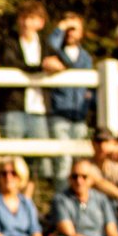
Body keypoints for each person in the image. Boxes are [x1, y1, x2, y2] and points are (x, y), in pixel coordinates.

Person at [0, 0, 61, 139]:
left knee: (42, 158)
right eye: (23, 17)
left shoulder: (45, 44)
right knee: (10, 155)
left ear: (41, 22)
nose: (26, 23)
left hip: (39, 110)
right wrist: (41, 67)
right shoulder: (8, 42)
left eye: (31, 18)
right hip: (13, 108)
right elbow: (10, 62)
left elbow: (64, 62)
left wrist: (58, 65)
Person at [46, 13, 94, 191]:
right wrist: (62, 26)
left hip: (79, 116)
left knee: (79, 162)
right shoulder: (56, 53)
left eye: (74, 29)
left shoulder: (86, 58)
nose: (70, 33)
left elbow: (90, 87)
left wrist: (89, 101)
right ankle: (61, 197)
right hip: (60, 114)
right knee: (63, 161)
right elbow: (51, 44)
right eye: (67, 29)